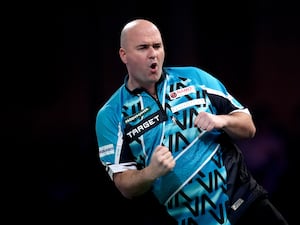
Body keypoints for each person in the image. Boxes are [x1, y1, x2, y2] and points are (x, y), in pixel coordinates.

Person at [95, 18, 289, 225]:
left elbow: (248, 127)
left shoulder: (195, 78)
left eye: (157, 46)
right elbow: (125, 185)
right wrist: (151, 172)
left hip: (246, 201)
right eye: (143, 47)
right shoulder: (111, 114)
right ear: (124, 55)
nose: (153, 54)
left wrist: (221, 120)